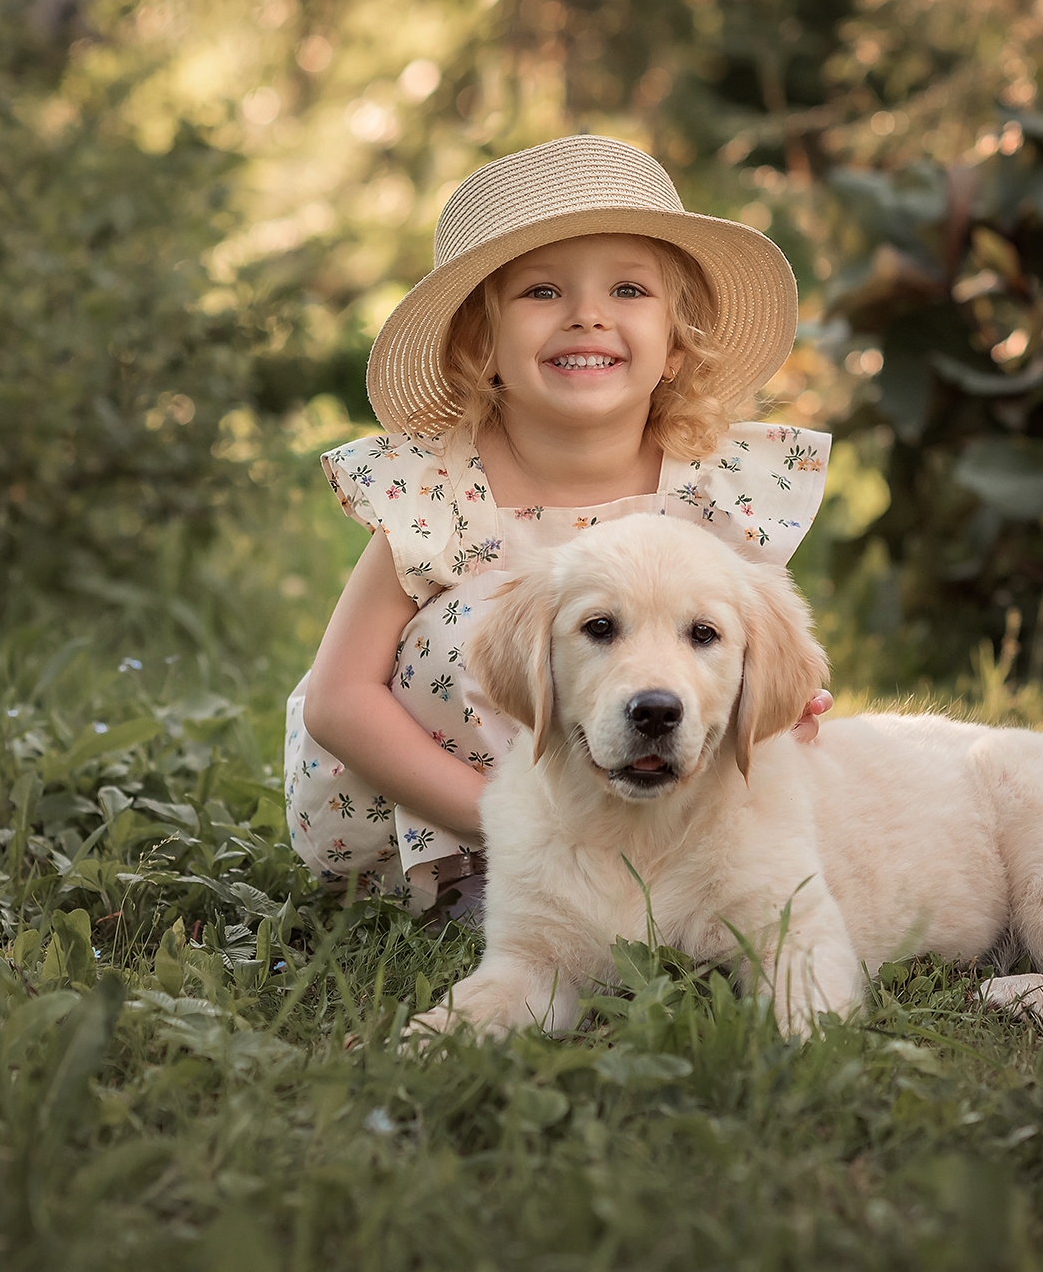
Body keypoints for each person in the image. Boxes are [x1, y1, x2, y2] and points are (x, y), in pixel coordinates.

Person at [283, 134, 833, 918]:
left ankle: (660, 887)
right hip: (452, 826)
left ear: (677, 343)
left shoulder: (709, 489)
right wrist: (512, 825)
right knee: (488, 623)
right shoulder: (442, 491)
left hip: (648, 814)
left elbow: (755, 652)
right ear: (482, 344)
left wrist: (781, 702)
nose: (587, 316)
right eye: (542, 292)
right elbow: (338, 700)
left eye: (629, 291)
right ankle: (482, 891)